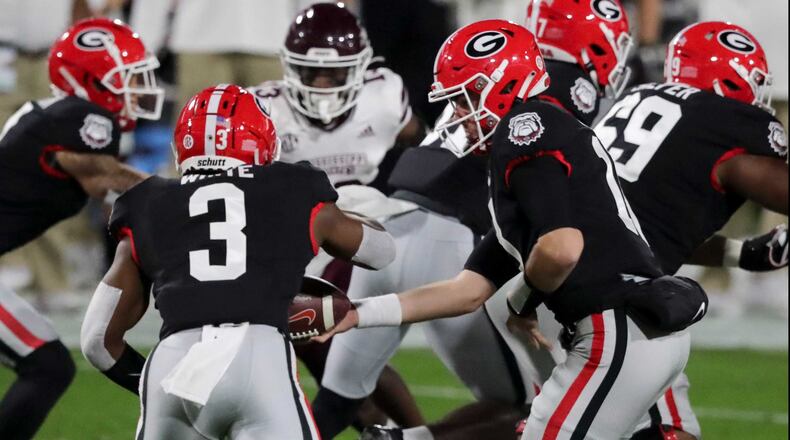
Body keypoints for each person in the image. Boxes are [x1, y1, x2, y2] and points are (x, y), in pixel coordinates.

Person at [318, 19, 708, 439]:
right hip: (631, 330)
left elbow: (561, 248)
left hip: (618, 330)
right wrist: (358, 313)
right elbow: (464, 291)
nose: (459, 116)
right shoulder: (528, 164)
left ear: (502, 88)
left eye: (466, 100)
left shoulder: (526, 129)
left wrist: (521, 302)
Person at [79, 84, 398, 439]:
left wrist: (157, 383)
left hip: (174, 363)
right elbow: (381, 251)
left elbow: (96, 340)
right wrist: (349, 208)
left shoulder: (146, 202)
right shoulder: (294, 187)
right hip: (259, 358)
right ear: (263, 141)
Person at [594, 21, 788, 440]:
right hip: (606, 303)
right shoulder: (723, 123)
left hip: (552, 276)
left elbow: (646, 223)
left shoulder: (635, 98)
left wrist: (742, 254)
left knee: (667, 430)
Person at [0, 18, 163, 439]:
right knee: (46, 366)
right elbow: (105, 179)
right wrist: (181, 194)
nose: (140, 89)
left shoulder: (57, 116)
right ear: (91, 80)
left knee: (48, 366)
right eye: (128, 78)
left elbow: (113, 198)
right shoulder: (86, 117)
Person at [251, 2, 423, 190]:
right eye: (311, 70)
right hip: (292, 217)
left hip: (367, 214)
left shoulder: (382, 96)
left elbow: (421, 140)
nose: (321, 83)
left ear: (360, 68)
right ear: (291, 67)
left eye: (334, 72)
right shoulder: (266, 109)